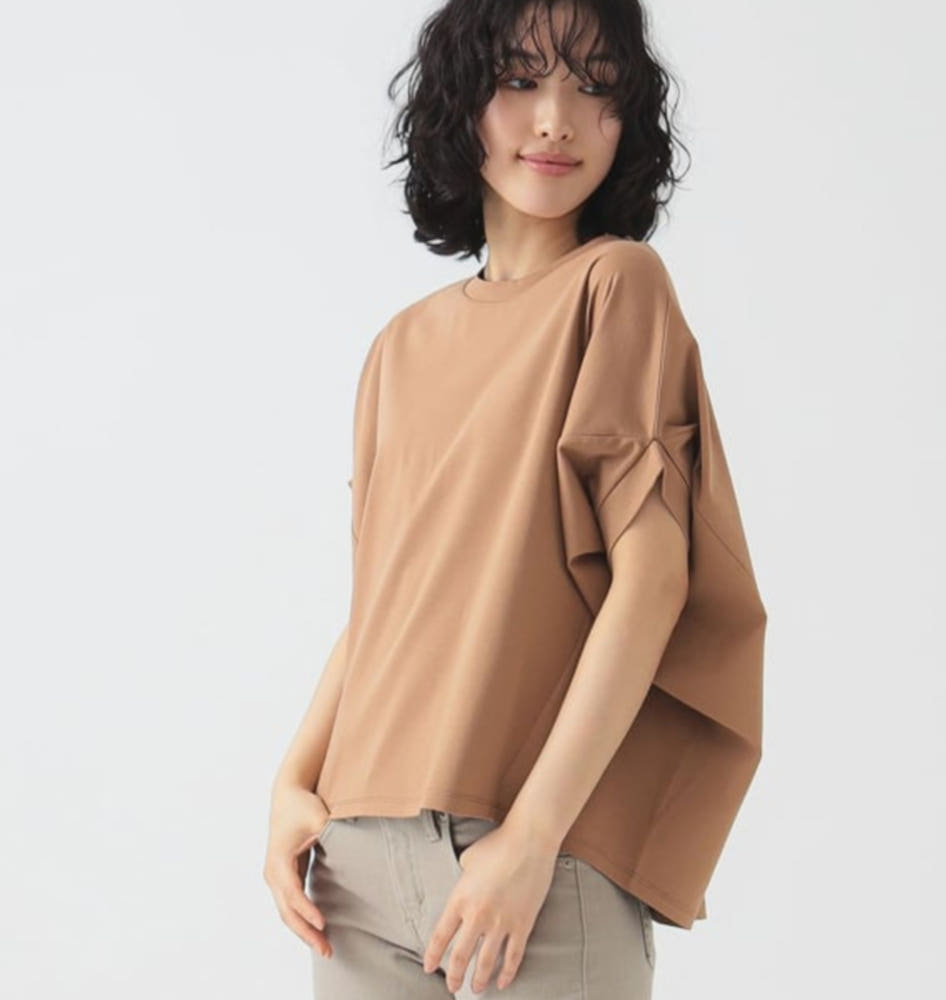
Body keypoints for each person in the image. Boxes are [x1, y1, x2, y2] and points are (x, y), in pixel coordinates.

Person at [263, 1, 768, 997]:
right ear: (460, 103)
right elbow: (382, 605)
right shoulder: (398, 347)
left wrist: (534, 836)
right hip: (354, 858)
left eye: (595, 87)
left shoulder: (616, 286)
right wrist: (292, 778)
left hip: (533, 862)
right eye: (520, 80)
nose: (555, 120)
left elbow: (652, 583)